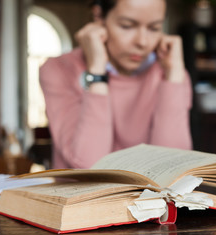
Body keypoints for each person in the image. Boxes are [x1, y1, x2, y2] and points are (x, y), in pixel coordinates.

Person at [39, 0, 192, 169]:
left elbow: (173, 167)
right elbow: (89, 165)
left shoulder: (170, 73)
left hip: (149, 196)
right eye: (127, 26)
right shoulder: (59, 69)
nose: (142, 42)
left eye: (154, 28)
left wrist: (174, 76)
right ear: (98, 16)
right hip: (80, 195)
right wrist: (97, 72)